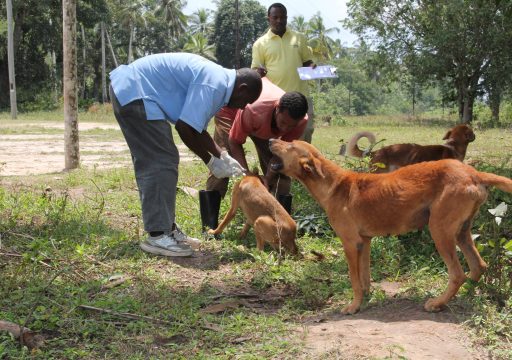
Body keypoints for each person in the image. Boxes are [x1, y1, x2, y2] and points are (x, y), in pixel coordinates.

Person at [109, 53, 262, 257]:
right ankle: (157, 235)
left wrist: (221, 154)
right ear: (242, 88)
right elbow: (185, 128)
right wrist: (210, 161)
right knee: (161, 160)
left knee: (162, 159)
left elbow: (196, 127)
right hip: (136, 93)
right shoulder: (215, 85)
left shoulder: (219, 83)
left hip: (135, 91)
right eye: (247, 101)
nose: (243, 107)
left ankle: (167, 229)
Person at [204, 77, 308, 221]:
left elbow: (281, 154)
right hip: (231, 112)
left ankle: (280, 224)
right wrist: (247, 174)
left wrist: (268, 177)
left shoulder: (301, 121)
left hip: (260, 122)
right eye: (283, 122)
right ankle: (210, 224)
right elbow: (234, 141)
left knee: (281, 172)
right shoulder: (254, 110)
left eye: (291, 126)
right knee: (223, 162)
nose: (285, 128)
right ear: (277, 108)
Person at [251, 3, 316, 143]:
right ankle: (279, 163)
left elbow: (307, 62)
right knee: (279, 136)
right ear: (269, 19)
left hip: (301, 96)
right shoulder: (260, 44)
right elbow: (255, 70)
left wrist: (312, 67)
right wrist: (259, 72)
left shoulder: (299, 38)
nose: (279, 21)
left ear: (287, 18)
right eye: (275, 17)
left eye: (282, 17)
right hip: (277, 100)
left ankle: (301, 164)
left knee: (306, 131)